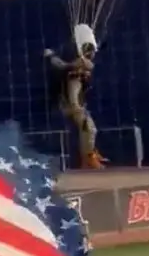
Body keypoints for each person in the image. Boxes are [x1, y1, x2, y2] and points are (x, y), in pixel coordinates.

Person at [44, 24, 107, 169]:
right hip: (72, 106)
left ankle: (88, 155)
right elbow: (72, 86)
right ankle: (88, 157)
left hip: (75, 105)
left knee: (88, 129)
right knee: (89, 129)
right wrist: (76, 107)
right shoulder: (73, 72)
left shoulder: (77, 70)